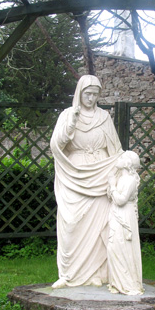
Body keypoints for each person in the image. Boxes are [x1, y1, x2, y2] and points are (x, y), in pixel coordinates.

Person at [50, 75, 123, 288]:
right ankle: (69, 274)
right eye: (87, 93)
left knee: (102, 224)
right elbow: (56, 146)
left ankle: (99, 274)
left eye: (95, 94)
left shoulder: (104, 117)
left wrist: (122, 173)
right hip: (74, 173)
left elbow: (115, 150)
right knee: (71, 222)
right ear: (79, 93)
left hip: (101, 173)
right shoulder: (67, 115)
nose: (91, 98)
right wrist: (70, 126)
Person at [107, 150, 144, 296]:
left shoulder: (130, 180)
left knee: (123, 247)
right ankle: (117, 282)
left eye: (122, 157)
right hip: (116, 213)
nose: (119, 158)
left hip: (124, 215)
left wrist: (113, 186)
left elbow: (121, 200)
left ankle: (128, 283)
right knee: (113, 247)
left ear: (127, 163)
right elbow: (113, 197)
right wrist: (112, 185)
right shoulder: (120, 178)